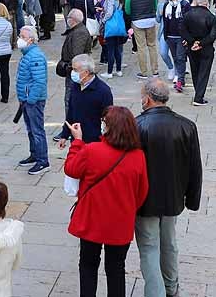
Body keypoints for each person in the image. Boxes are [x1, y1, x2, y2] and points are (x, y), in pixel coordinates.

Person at [64, 106, 149, 297]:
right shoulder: (138, 156)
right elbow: (142, 193)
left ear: (109, 127)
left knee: (87, 265)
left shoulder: (92, 150)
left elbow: (71, 169)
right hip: (120, 222)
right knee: (116, 268)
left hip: (92, 220)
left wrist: (77, 142)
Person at [134, 78, 202, 297]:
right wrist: (192, 199)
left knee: (149, 247)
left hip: (145, 200)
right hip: (173, 198)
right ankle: (171, 288)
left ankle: (156, 293)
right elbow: (195, 167)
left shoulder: (137, 126)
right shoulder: (186, 125)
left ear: (147, 99)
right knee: (169, 244)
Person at [15, 25, 50, 175]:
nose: (19, 39)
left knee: (37, 130)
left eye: (22, 37)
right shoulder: (27, 54)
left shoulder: (35, 56)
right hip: (27, 99)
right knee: (31, 129)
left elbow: (39, 81)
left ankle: (43, 161)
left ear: (30, 40)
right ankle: (34, 154)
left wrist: (31, 99)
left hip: (33, 101)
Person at [54, 9, 93, 141]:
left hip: (76, 72)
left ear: (73, 20)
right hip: (74, 71)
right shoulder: (77, 31)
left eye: (68, 18)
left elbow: (77, 56)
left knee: (71, 101)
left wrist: (69, 67)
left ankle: (70, 129)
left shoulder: (79, 33)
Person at [59, 54, 113, 146]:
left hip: (94, 142)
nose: (72, 72)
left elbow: (109, 119)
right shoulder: (75, 86)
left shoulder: (103, 91)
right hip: (76, 139)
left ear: (86, 72)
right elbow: (71, 112)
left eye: (75, 70)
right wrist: (65, 134)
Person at [179, 0, 216, 106]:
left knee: (195, 70)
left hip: (192, 47)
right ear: (206, 2)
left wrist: (192, 41)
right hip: (206, 48)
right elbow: (213, 35)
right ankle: (199, 97)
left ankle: (198, 93)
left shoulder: (187, 15)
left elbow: (182, 30)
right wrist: (200, 43)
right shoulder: (211, 17)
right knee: (204, 72)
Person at [125, 0, 159, 80]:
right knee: (152, 45)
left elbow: (127, 10)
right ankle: (155, 70)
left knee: (141, 47)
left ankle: (144, 71)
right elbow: (155, 4)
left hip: (137, 21)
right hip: (150, 20)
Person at [159, 0, 189, 94]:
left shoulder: (185, 4)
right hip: (170, 36)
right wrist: (166, 35)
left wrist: (186, 37)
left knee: (180, 57)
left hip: (180, 36)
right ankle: (178, 75)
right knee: (175, 57)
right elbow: (164, 20)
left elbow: (187, 21)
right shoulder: (167, 4)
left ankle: (180, 80)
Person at [99, 0, 127, 78]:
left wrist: (103, 20)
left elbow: (109, 12)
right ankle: (118, 70)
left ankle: (109, 72)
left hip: (111, 26)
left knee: (110, 50)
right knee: (117, 50)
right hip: (119, 25)